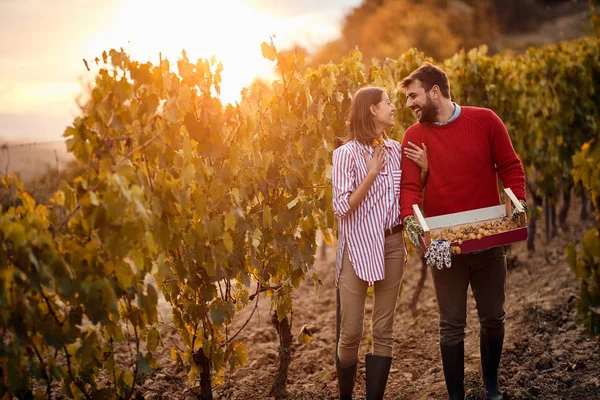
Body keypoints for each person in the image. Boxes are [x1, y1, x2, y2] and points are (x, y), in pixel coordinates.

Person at [399, 62, 527, 400]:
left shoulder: (485, 120)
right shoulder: (414, 137)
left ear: (435, 92)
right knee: (451, 325)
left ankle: (491, 383)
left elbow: (511, 167)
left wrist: (517, 203)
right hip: (446, 247)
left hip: (488, 242)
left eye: (413, 96)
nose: (409, 104)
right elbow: (410, 190)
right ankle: (456, 395)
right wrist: (414, 223)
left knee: (493, 317)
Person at [331, 86, 428, 400]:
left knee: (384, 329)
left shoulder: (397, 149)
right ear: (372, 109)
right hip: (358, 246)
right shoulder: (344, 154)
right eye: (387, 102)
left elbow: (411, 193)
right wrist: (371, 173)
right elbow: (342, 207)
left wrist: (425, 170)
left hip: (392, 244)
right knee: (351, 333)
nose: (392, 107)